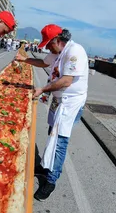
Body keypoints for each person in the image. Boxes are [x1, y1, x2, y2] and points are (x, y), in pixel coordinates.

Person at [31, 24, 89, 201]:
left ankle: (51, 179)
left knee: (60, 140)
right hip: (58, 100)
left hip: (70, 102)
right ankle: (46, 165)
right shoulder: (57, 52)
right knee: (52, 133)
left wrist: (43, 89)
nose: (47, 47)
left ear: (57, 40)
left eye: (49, 44)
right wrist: (23, 60)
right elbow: (43, 63)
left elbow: (66, 81)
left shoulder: (74, 51)